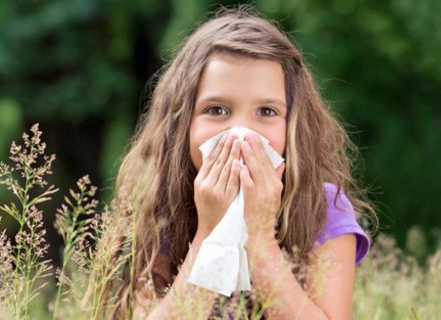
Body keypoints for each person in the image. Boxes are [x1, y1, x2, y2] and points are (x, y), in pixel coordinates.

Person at [109, 5, 375, 319]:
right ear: (182, 124)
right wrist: (210, 236)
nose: (241, 133)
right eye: (217, 110)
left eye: (266, 112)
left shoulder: (324, 209)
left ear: (292, 126)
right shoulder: (160, 209)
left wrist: (259, 237)